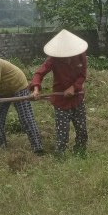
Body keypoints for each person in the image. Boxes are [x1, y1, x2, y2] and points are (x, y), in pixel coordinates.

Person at [31, 29, 89, 157]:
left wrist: (73, 88)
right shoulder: (53, 59)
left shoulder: (81, 55)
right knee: (62, 132)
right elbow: (39, 73)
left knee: (82, 130)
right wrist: (36, 89)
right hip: (60, 100)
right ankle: (60, 156)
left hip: (77, 98)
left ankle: (80, 152)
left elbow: (82, 75)